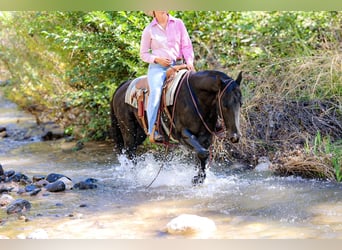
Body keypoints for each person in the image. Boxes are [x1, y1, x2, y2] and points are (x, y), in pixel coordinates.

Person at [140, 11, 195, 143]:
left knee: (198, 85)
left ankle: (209, 123)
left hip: (180, 64)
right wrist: (157, 59)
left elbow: (186, 45)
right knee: (156, 92)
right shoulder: (149, 30)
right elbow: (143, 54)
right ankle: (153, 129)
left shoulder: (178, 23)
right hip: (158, 68)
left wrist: (190, 62)